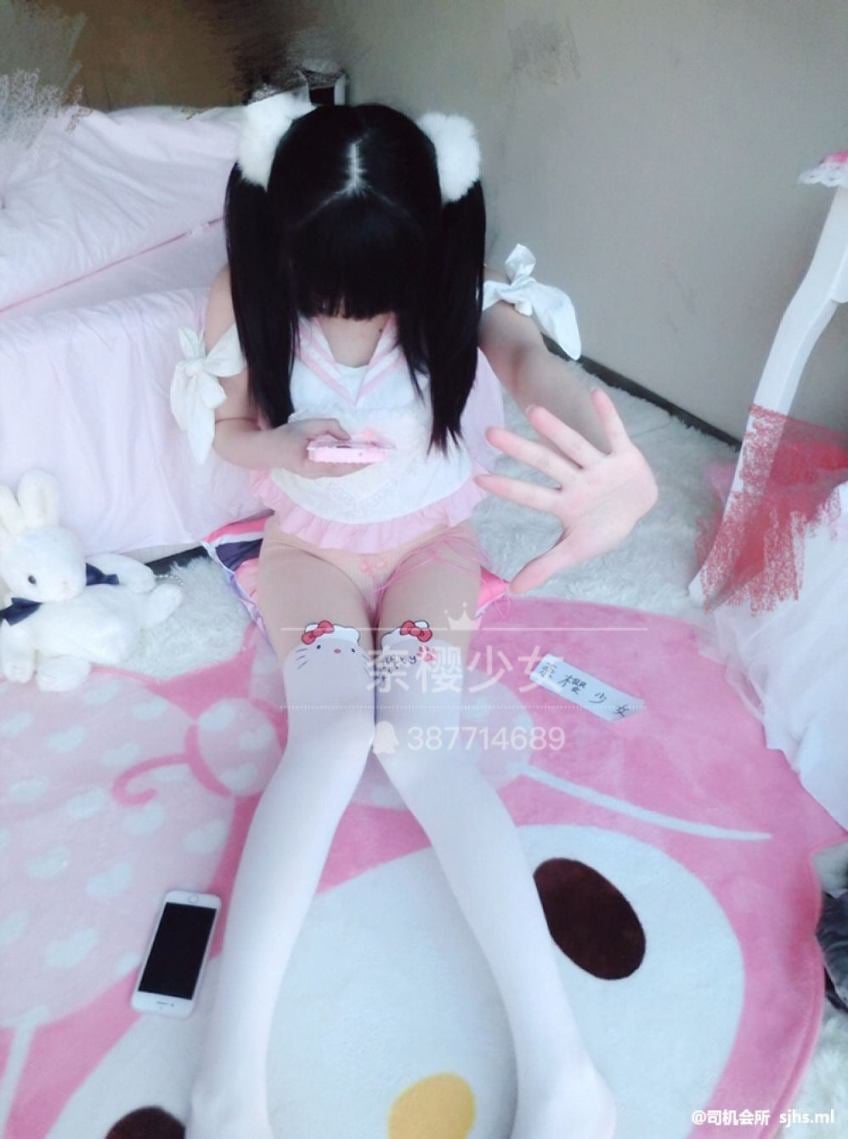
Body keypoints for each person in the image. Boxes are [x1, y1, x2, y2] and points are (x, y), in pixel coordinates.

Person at [170, 91, 655, 1139]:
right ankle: (227, 1077)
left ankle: (564, 1068)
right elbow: (227, 428)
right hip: (308, 551)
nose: (349, 322)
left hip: (432, 546)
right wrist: (278, 448)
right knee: (334, 732)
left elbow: (532, 365)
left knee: (426, 742)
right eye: (325, 296)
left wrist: (607, 453)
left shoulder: (455, 291)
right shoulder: (240, 296)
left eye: (373, 296)